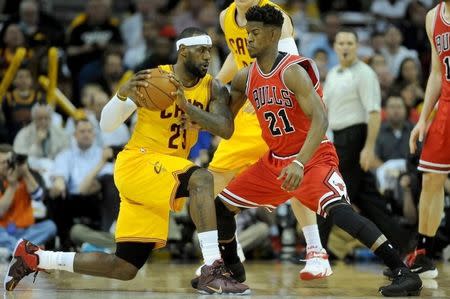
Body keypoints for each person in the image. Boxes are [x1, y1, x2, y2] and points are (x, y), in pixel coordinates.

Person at [4, 27, 249, 295]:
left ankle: (36, 257)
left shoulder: (212, 87)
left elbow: (225, 128)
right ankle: (212, 267)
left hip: (163, 175)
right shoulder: (154, 79)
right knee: (202, 178)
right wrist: (121, 96)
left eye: (209, 51)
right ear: (182, 51)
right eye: (201, 50)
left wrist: (191, 111)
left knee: (125, 267)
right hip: (139, 163)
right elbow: (107, 125)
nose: (206, 57)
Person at [211, 5, 422, 296]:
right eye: (247, 33)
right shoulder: (244, 77)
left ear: (273, 35)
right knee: (220, 207)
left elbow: (321, 119)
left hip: (311, 158)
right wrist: (197, 109)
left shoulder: (294, 71)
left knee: (341, 213)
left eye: (255, 33)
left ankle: (402, 270)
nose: (247, 39)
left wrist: (299, 163)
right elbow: (224, 126)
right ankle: (233, 271)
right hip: (274, 162)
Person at [208, 0, 331, 280]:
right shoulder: (226, 16)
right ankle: (228, 250)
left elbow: (290, 62)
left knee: (297, 182)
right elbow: (235, 55)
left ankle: (316, 251)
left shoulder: (275, 16)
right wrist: (214, 81)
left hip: (276, 109)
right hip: (247, 108)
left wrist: (267, 88)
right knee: (215, 177)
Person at [320, 28, 415, 257]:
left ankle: (318, 250)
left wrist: (368, 148)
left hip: (355, 139)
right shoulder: (333, 73)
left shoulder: (364, 73)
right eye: (341, 43)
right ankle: (405, 243)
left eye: (350, 43)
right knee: (369, 200)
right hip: (337, 140)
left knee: (329, 194)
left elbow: (373, 113)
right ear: (335, 47)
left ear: (356, 46)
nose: (345, 47)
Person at [406, 0, 450, 279]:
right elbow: (436, 72)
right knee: (431, 179)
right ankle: (424, 253)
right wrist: (423, 119)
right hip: (445, 106)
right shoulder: (433, 16)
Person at [0, 144, 56, 256]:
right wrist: (12, 185)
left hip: (27, 231)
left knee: (50, 226)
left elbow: (39, 197)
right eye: (2, 162)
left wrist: (25, 172)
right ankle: (27, 250)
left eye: (9, 161)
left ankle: (13, 251)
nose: (7, 166)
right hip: (3, 231)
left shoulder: (26, 176)